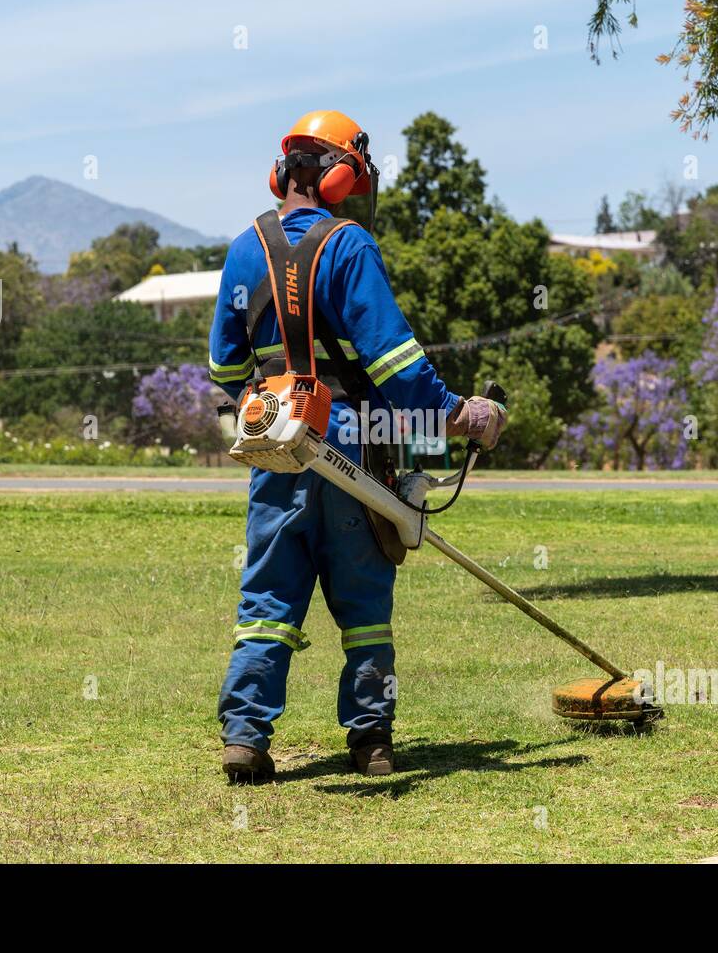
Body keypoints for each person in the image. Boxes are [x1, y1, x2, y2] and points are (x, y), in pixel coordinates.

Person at [208, 110, 506, 782]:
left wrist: (265, 392)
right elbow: (398, 363)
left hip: (275, 441)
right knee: (365, 599)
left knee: (269, 598)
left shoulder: (242, 249)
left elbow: (226, 374)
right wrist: (459, 413)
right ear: (343, 178)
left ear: (284, 174)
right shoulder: (349, 247)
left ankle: (246, 737)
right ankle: (371, 737)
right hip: (354, 437)